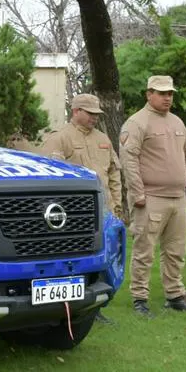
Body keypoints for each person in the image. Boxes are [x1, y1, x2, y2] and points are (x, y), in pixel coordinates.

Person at [119, 76, 186, 317]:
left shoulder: (177, 122)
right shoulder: (137, 122)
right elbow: (129, 160)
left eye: (170, 93)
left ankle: (174, 295)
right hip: (150, 197)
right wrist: (137, 193)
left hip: (177, 198)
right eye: (162, 93)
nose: (167, 98)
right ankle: (140, 298)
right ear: (149, 94)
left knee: (176, 250)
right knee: (144, 251)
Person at [41, 93, 123, 325]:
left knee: (105, 260)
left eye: (97, 114)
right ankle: (66, 309)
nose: (94, 118)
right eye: (90, 113)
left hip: (104, 212)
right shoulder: (59, 138)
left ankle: (95, 307)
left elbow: (114, 174)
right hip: (74, 216)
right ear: (76, 111)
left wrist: (116, 205)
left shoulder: (103, 139)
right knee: (75, 263)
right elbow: (47, 177)